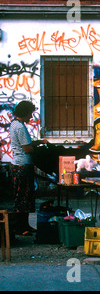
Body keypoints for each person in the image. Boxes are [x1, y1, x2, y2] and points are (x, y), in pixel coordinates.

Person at [9, 101, 47, 236]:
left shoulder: (14, 124)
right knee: (23, 197)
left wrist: (39, 142)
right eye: (29, 114)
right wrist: (39, 147)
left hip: (18, 164)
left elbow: (26, 144)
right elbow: (27, 148)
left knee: (24, 196)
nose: (31, 117)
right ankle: (21, 227)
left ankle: (25, 225)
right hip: (23, 165)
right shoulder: (20, 127)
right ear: (24, 113)